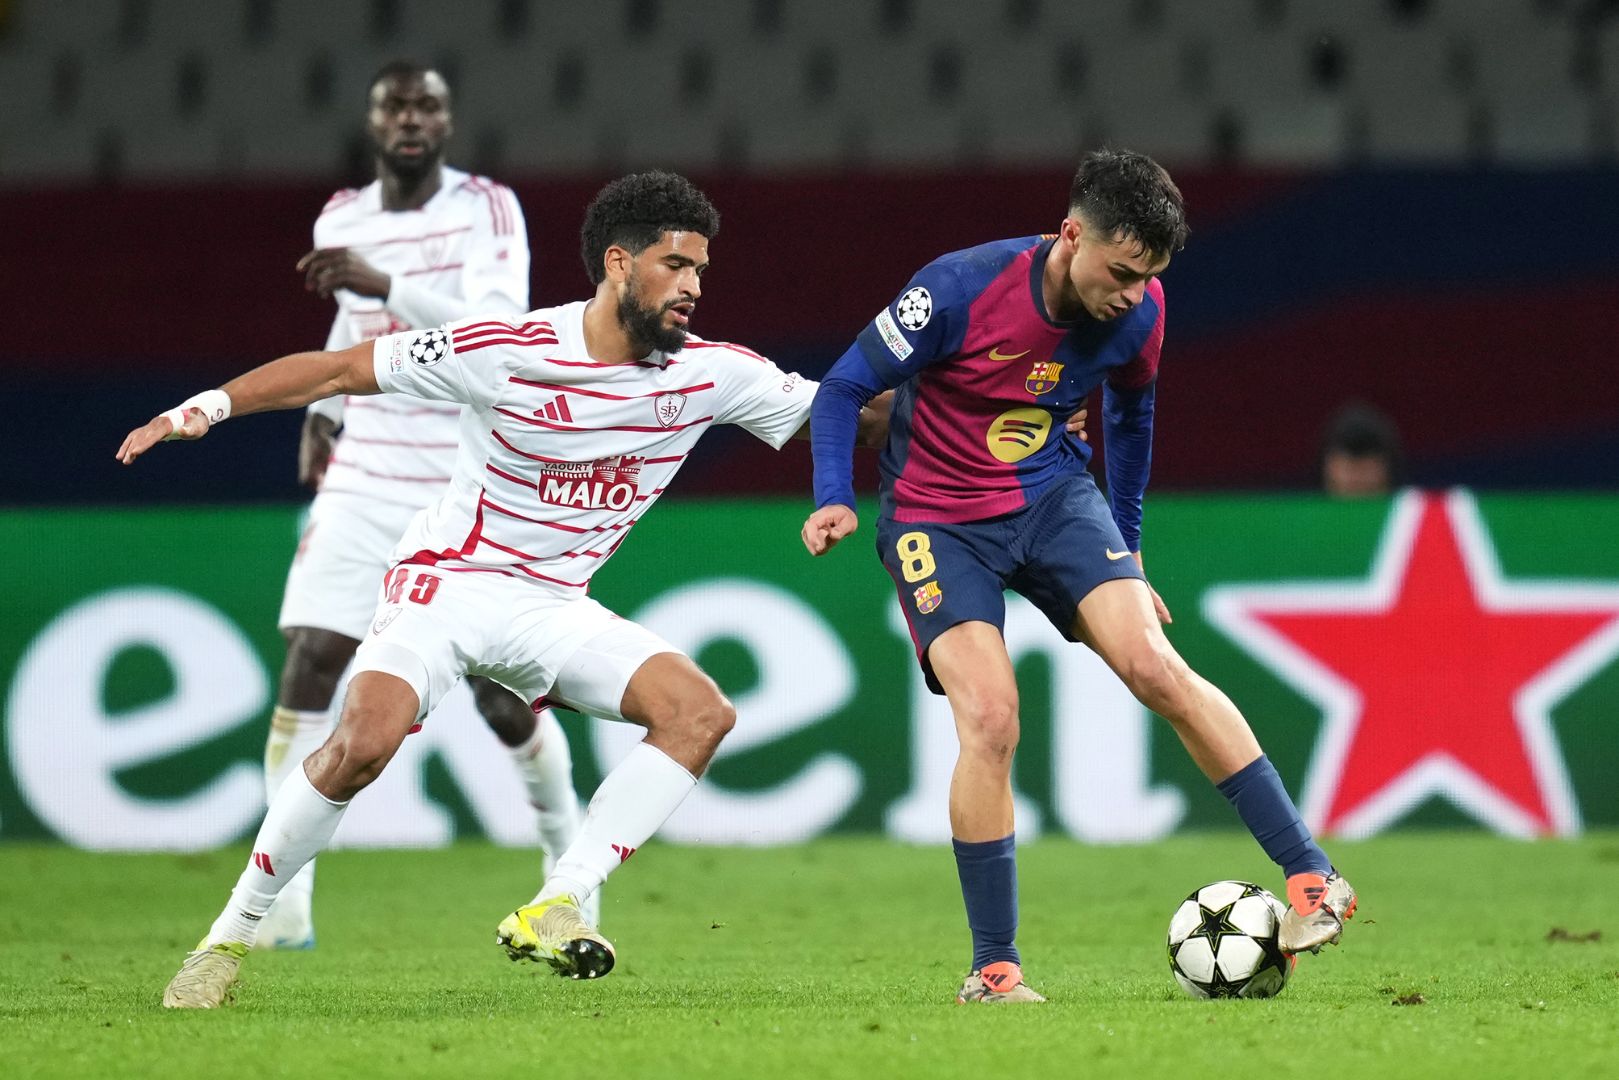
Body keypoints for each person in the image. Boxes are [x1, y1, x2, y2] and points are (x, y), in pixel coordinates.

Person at [118, 171, 899, 1009]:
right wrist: (206, 407)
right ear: (618, 263)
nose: (694, 287)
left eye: (701, 270)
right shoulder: (508, 349)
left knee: (699, 713)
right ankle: (225, 940)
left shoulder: (714, 373)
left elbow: (855, 416)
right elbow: (341, 370)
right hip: (449, 584)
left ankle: (560, 899)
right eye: (676, 265)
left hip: (551, 606)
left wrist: (975, 392)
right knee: (363, 744)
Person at [802, 149, 1357, 1005]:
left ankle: (1312, 876)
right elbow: (843, 387)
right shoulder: (957, 288)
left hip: (1053, 499)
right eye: (1121, 272)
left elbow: (1131, 417)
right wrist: (833, 497)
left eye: (1149, 277)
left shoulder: (1141, 313)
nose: (1133, 293)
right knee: (990, 718)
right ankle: (994, 969)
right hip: (935, 520)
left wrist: (1127, 551)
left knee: (1155, 666)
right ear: (1070, 235)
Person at [259, 59, 591, 949]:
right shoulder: (342, 215)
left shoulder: (488, 207)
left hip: (463, 479)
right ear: (372, 123)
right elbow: (351, 324)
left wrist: (388, 285)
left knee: (501, 698)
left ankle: (566, 862)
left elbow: (504, 328)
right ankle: (284, 905)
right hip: (366, 472)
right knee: (311, 663)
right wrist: (325, 409)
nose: (410, 119)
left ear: (447, 122)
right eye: (395, 106)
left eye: (427, 106)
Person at [1319, 401, 1402, 497]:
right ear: (1328, 467)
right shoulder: (1307, 504)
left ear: (1387, 468)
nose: (1357, 480)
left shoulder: (1410, 505)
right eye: (1348, 468)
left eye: (1366, 469)